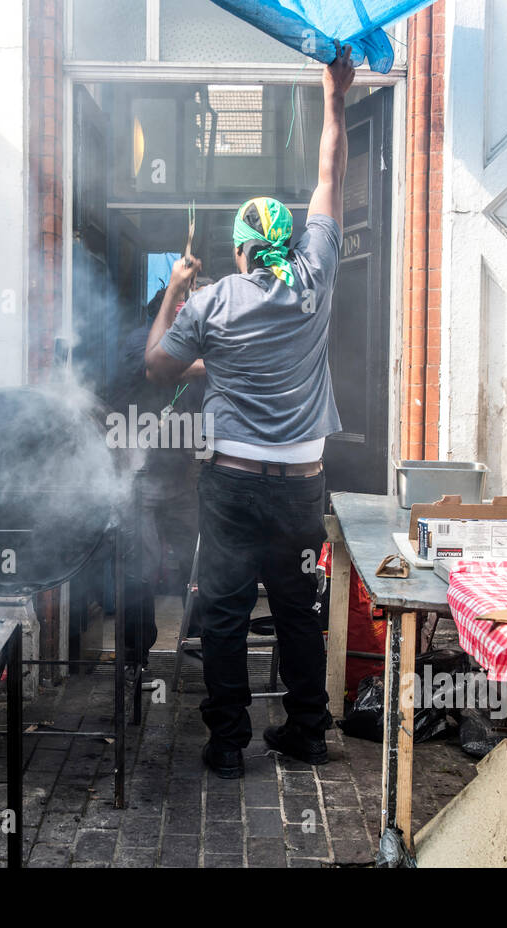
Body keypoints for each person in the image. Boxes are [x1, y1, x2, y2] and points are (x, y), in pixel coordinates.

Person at [144, 45, 356, 778]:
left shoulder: (211, 303)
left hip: (232, 487)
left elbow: (156, 367)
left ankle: (229, 742)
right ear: (288, 243)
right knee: (299, 610)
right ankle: (306, 732)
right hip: (301, 488)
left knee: (227, 612)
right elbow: (330, 175)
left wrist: (174, 287)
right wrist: (336, 93)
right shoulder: (315, 275)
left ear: (239, 251)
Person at [107, 280, 208, 674]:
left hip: (183, 476)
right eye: (180, 308)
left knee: (194, 567)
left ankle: (197, 641)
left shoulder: (195, 348)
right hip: (141, 478)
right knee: (140, 568)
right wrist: (226, 355)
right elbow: (164, 368)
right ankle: (135, 657)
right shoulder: (139, 343)